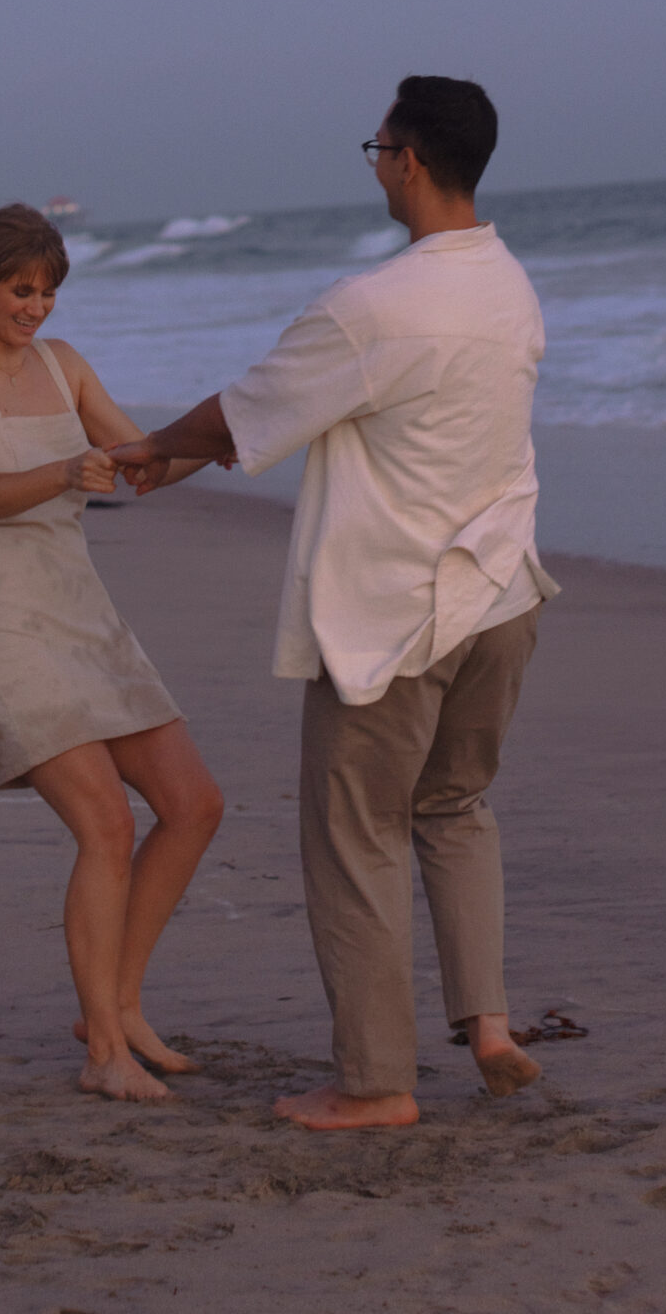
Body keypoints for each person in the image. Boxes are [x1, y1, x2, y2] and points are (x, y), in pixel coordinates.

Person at [112, 76, 555, 1131]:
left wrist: (145, 449)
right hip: (503, 594)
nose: (373, 162)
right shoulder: (511, 285)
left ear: (406, 156)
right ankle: (488, 1022)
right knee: (454, 808)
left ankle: (375, 1082)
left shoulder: (374, 306)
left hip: (398, 615)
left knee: (355, 836)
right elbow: (277, 420)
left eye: (376, 144)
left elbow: (245, 412)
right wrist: (182, 454)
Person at [0, 203, 223, 1105]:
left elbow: (141, 462)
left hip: (84, 612)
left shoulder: (65, 367)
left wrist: (223, 438)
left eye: (50, 292)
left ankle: (120, 1005)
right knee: (105, 825)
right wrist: (71, 470)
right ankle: (104, 1053)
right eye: (22, 289)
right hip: (4, 619)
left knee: (193, 804)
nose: (37, 307)